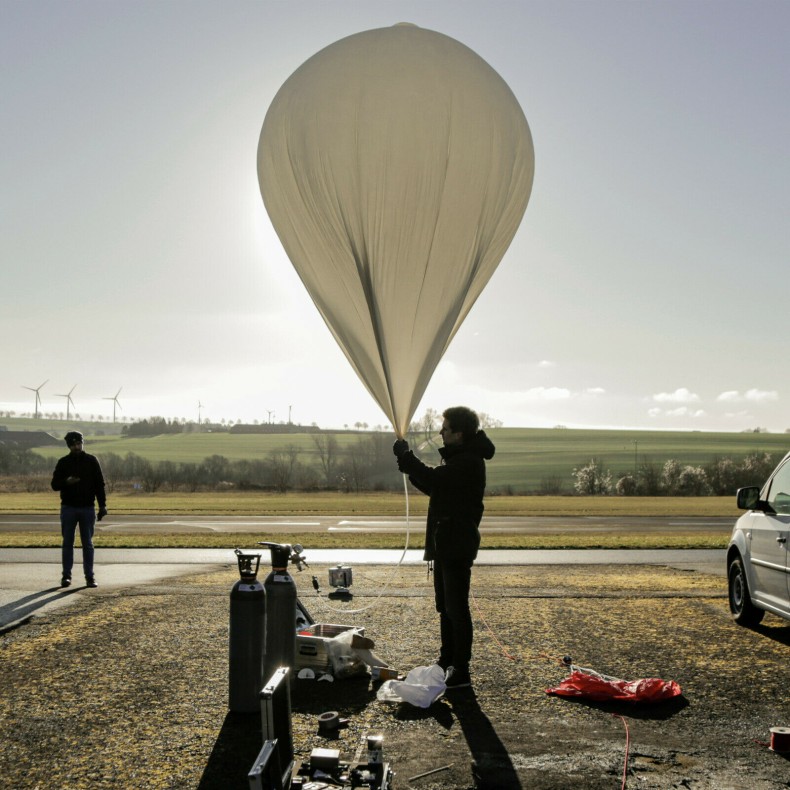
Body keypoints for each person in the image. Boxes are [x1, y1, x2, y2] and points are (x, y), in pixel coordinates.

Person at [393, 406, 495, 689]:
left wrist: (407, 458)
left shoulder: (469, 461)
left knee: (456, 609)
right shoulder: (461, 459)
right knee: (446, 608)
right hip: (446, 543)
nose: (441, 432)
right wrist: (410, 468)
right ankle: (446, 660)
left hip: (456, 544)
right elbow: (437, 487)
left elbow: (437, 479)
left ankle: (460, 670)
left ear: (459, 434)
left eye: (446, 428)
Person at [51, 431, 107, 588]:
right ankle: (66, 576)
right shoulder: (63, 463)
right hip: (68, 508)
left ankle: (90, 577)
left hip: (87, 508)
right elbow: (54, 484)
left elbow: (99, 484)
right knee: (67, 543)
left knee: (87, 544)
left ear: (82, 443)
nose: (77, 447)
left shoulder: (91, 461)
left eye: (79, 444)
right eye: (73, 445)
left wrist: (102, 505)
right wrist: (66, 482)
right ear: (69, 446)